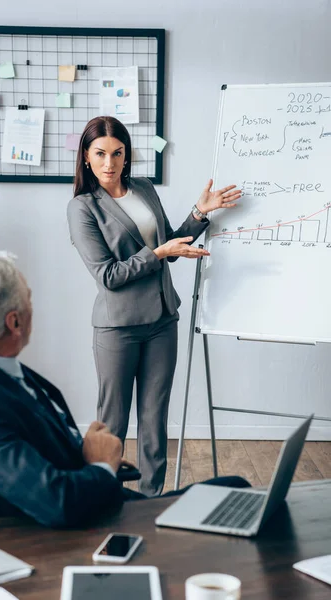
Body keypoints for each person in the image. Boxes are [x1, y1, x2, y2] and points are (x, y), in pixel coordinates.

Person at [0, 252, 248, 528]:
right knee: (234, 493)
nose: (33, 306)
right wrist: (101, 465)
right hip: (86, 528)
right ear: (14, 322)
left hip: (96, 497)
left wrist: (86, 455)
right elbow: (58, 503)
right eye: (29, 298)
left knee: (234, 490)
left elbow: (30, 452)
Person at [67, 116, 241, 496]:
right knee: (112, 422)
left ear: (127, 156)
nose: (109, 163)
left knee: (154, 418)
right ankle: (102, 498)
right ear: (86, 157)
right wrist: (159, 252)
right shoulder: (83, 208)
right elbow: (109, 275)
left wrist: (200, 212)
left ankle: (150, 500)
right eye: (100, 154)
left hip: (163, 319)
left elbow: (172, 247)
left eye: (117, 153)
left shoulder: (143, 189)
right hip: (118, 328)